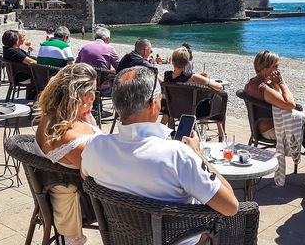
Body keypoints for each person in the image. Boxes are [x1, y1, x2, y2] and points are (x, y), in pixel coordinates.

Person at [81, 66, 239, 245]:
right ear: (152, 105)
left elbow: (85, 176)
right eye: (159, 96)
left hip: (123, 239)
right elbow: (230, 206)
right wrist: (198, 154)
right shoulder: (177, 155)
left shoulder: (95, 147)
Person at [34, 63, 101, 245]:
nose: (94, 97)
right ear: (85, 95)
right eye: (93, 92)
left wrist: (85, 114)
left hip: (60, 186)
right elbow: (102, 172)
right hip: (87, 200)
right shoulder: (68, 137)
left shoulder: (52, 118)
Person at [244, 50, 305, 166]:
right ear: (265, 68)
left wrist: (275, 83)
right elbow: (290, 104)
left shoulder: (251, 83)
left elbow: (276, 97)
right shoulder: (263, 88)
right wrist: (282, 82)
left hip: (260, 127)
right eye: (275, 66)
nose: (278, 69)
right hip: (272, 131)